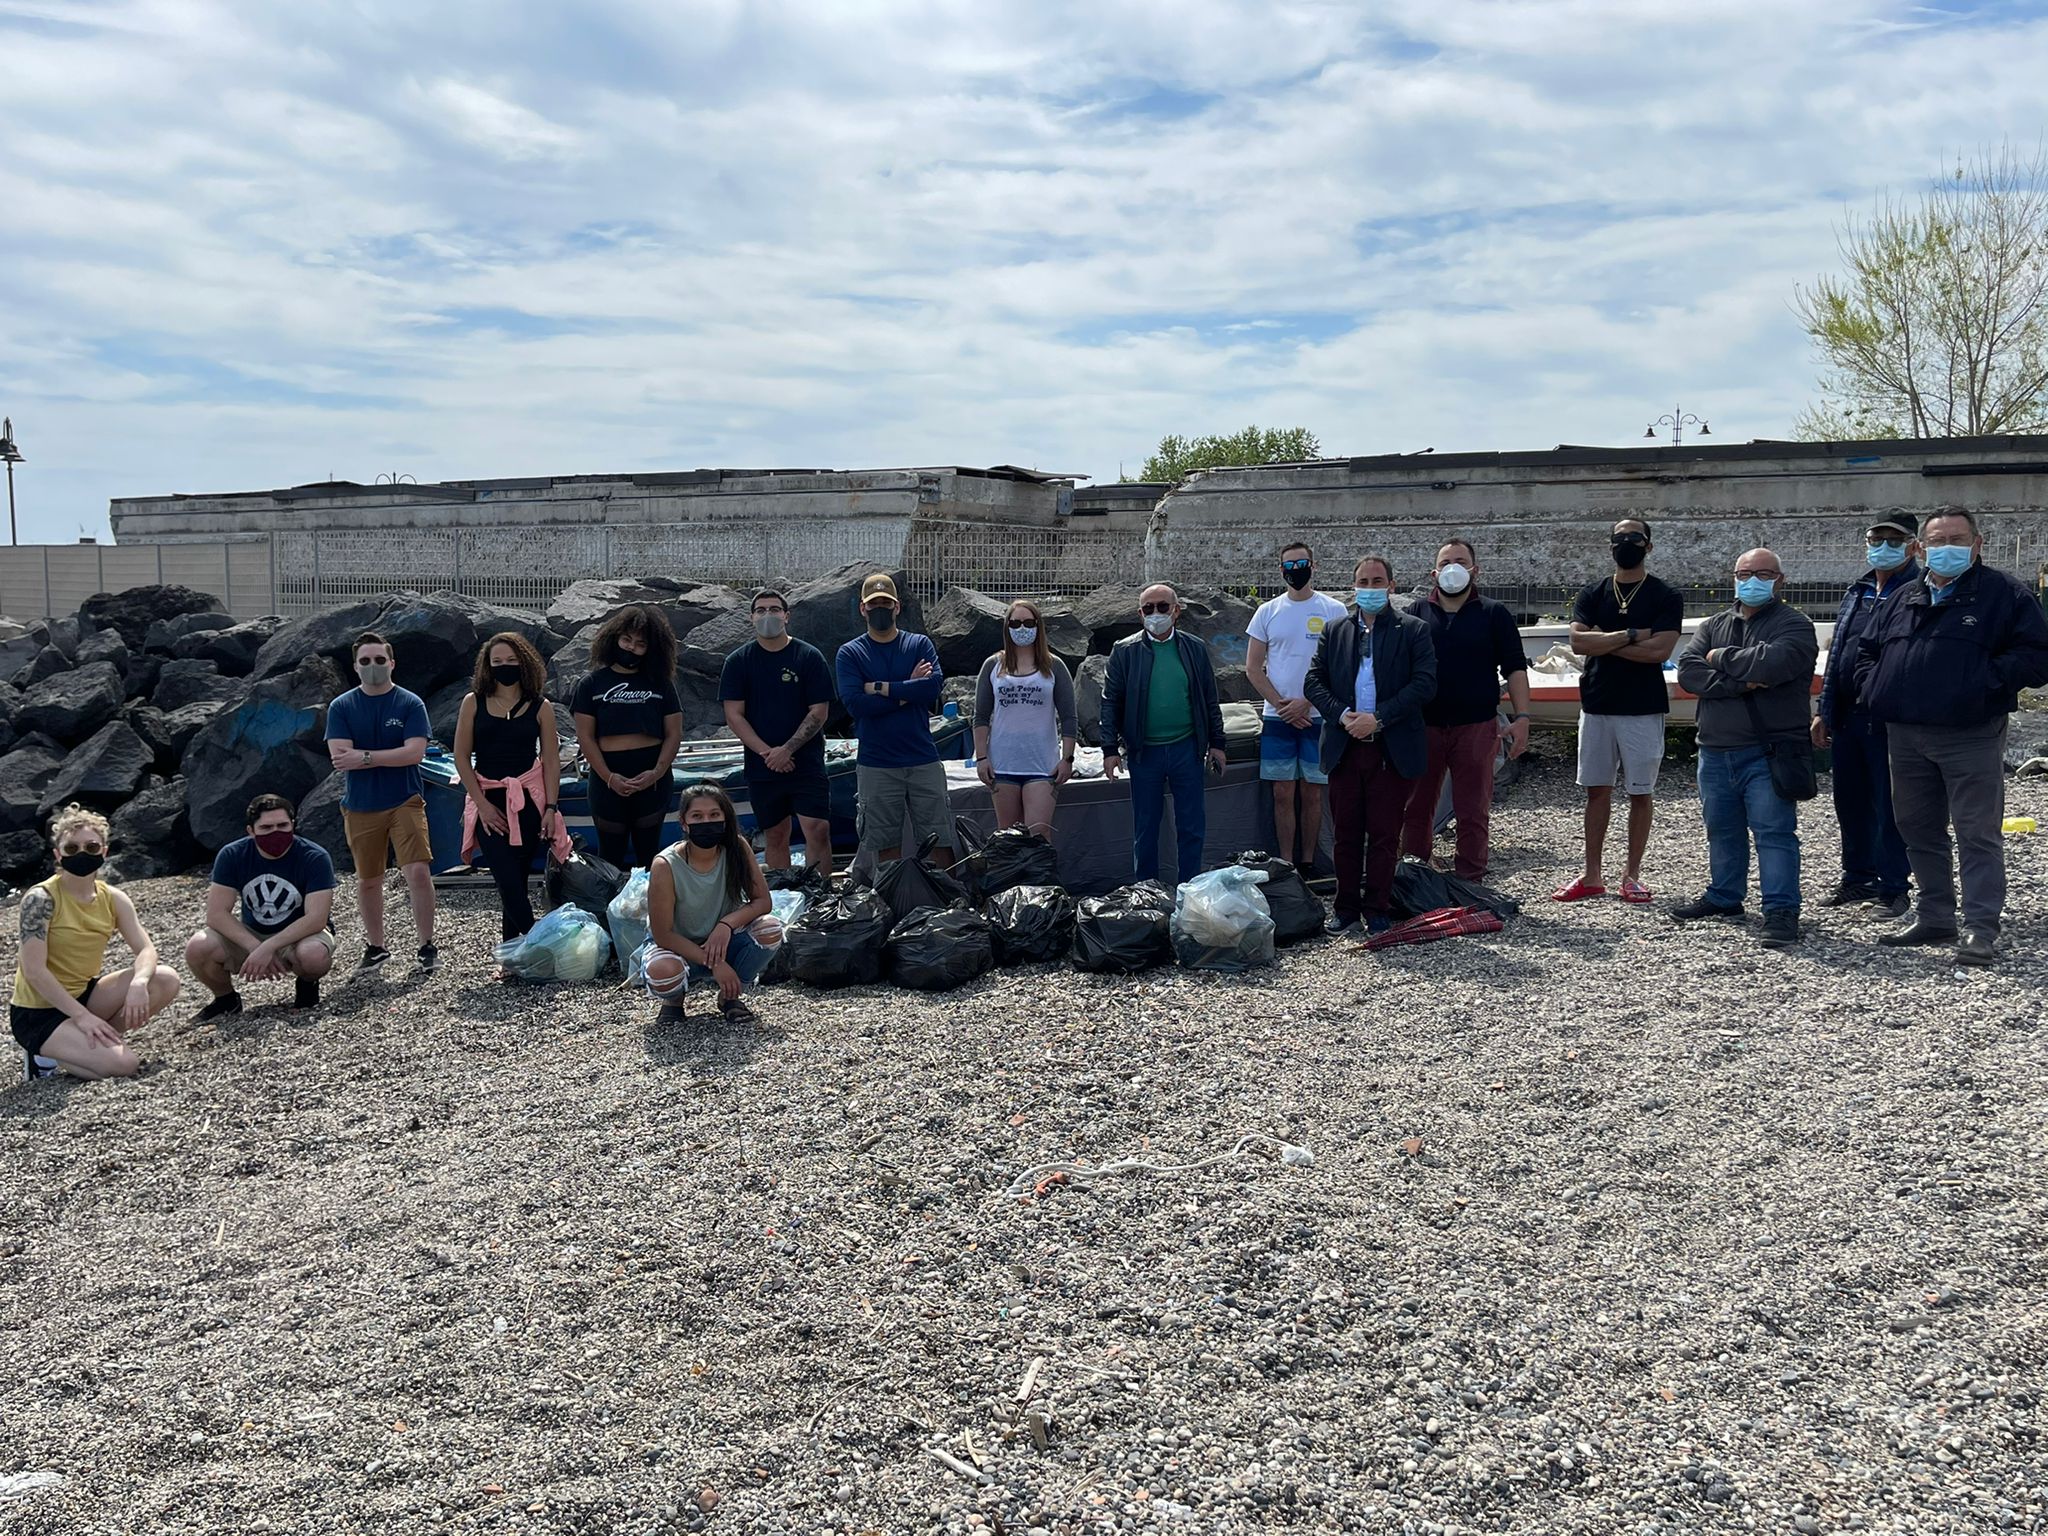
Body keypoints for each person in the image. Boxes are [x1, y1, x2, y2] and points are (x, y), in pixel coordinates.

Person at [1853, 508, 2048, 965]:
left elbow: (2038, 656)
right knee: (1917, 828)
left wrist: (1981, 683)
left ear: (1977, 544)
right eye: (1936, 541)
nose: (1946, 548)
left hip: (1970, 732)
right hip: (1905, 734)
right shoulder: (1904, 596)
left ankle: (1981, 929)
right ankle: (1936, 915)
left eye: (1956, 539)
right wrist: (1874, 686)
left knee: (1976, 832)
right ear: (1920, 549)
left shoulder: (2005, 594)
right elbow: (1868, 650)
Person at [1672, 549, 1819, 949]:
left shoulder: (1796, 625)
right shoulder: (1714, 623)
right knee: (1721, 829)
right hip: (1714, 750)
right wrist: (1741, 680)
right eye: (1744, 573)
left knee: (1774, 833)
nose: (1752, 580)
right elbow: (1688, 672)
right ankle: (1724, 896)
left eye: (1763, 573)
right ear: (1733, 577)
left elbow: (1774, 665)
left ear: (1780, 579)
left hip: (1768, 750)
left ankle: (1781, 910)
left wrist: (1719, 659)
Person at [1304, 555, 1437, 935]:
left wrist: (1378, 718)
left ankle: (1377, 906)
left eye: (1377, 581)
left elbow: (1425, 683)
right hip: (1345, 745)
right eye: (1363, 581)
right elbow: (1314, 682)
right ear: (1353, 586)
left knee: (1383, 833)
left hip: (1389, 746)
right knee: (1345, 833)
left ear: (1391, 587)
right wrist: (1344, 715)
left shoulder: (1413, 630)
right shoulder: (1335, 631)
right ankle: (1345, 907)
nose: (1370, 587)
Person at [1554, 519, 1684, 905]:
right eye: (1620, 538)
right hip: (1597, 704)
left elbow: (1661, 651)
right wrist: (1631, 635)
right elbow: (1578, 641)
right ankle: (1593, 875)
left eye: (1634, 538)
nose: (1626, 544)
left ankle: (1632, 875)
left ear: (1649, 545)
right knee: (1597, 790)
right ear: (1610, 545)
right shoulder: (1593, 592)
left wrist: (1604, 642)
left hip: (1642, 707)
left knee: (1640, 792)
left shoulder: (1665, 595)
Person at [11, 806, 181, 1081]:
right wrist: (81, 1017)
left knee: (164, 979)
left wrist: (139, 983)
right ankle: (50, 1052)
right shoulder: (40, 900)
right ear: (58, 854)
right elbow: (34, 971)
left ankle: (90, 1043)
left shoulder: (113, 898)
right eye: (72, 848)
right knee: (125, 1065)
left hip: (84, 994)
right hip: (38, 1012)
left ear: (103, 851)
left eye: (91, 847)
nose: (82, 853)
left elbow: (146, 949)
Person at [1401, 539, 1532, 881]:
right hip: (1423, 726)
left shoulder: (1494, 614)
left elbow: (1515, 668)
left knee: (1473, 808)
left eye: (1460, 561)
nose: (1453, 568)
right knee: (1416, 807)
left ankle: (1470, 878)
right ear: (1434, 572)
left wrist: (1523, 718)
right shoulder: (1415, 614)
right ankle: (1415, 876)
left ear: (1475, 570)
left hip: (1476, 726)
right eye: (1446, 562)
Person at [1812, 514, 1921, 917]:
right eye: (1877, 539)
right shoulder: (1857, 591)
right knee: (1851, 800)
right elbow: (1838, 651)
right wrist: (1825, 709)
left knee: (1890, 803)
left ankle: (1895, 886)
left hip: (1890, 716)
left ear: (1912, 546)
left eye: (1894, 540)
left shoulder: (1917, 588)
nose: (1884, 547)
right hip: (1848, 715)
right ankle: (1857, 877)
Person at [455, 631, 570, 973]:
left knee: (518, 878)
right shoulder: (472, 702)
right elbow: (462, 757)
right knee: (505, 877)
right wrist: (482, 804)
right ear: (487, 667)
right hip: (489, 798)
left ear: (524, 662)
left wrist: (551, 808)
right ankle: (544, 948)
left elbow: (550, 760)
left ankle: (511, 959)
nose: (505, 667)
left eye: (511, 661)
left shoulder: (542, 707)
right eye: (497, 662)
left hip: (529, 801)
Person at [1100, 584, 1228, 883]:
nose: (1155, 613)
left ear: (1176, 610)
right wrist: (1109, 750)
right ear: (1139, 613)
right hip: (1145, 752)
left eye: (1162, 607)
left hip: (1187, 748)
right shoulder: (1124, 651)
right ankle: (1147, 893)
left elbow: (1210, 698)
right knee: (1145, 828)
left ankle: (1190, 892)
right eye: (1148, 608)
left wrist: (1218, 743)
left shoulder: (1195, 648)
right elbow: (1110, 702)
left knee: (1192, 826)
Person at [325, 631, 436, 971]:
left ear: (392, 663)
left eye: (379, 660)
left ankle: (427, 944)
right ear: (356, 667)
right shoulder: (341, 707)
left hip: (405, 799)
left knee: (417, 870)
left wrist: (366, 757)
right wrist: (385, 755)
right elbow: (340, 756)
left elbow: (415, 753)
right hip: (360, 804)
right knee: (368, 878)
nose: (373, 666)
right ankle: (376, 946)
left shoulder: (409, 703)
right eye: (365, 661)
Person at [835, 574, 952, 875]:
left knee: (940, 839)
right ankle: (889, 904)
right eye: (874, 604)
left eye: (886, 603)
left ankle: (952, 901)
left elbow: (931, 688)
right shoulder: (850, 653)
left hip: (922, 758)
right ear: (862, 609)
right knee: (884, 843)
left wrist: (879, 687)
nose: (880, 609)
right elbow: (856, 705)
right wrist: (906, 689)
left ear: (897, 606)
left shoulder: (919, 644)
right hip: (877, 764)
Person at [186, 793, 339, 1019]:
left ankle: (307, 986)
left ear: (293, 825)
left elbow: (316, 918)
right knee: (198, 947)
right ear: (251, 831)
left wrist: (269, 947)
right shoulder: (232, 855)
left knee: (313, 955)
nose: (276, 832)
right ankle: (226, 999)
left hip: (301, 933)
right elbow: (216, 914)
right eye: (266, 827)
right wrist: (254, 945)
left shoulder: (314, 856)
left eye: (283, 825)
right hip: (253, 931)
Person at [643, 784, 784, 1027]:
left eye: (714, 815)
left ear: (726, 818)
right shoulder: (665, 864)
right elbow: (662, 934)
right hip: (680, 947)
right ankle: (674, 1001)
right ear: (684, 823)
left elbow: (763, 901)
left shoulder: (738, 847)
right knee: (663, 974)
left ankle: (730, 997)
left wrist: (725, 925)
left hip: (725, 942)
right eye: (697, 816)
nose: (706, 821)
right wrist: (716, 963)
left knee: (770, 929)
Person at [1245, 542, 1349, 870]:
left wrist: (1309, 702)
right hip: (1278, 718)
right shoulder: (1267, 612)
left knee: (1313, 792)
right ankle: (1286, 862)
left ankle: (1307, 861)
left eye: (1301, 564)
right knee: (1282, 793)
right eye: (1288, 566)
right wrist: (1283, 705)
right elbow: (1252, 667)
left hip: (1318, 716)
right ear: (1280, 570)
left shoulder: (1334, 610)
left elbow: (1342, 666)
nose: (1295, 571)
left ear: (1313, 566)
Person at [720, 588, 835, 880]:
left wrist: (787, 749)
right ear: (751, 618)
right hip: (762, 766)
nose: (767, 615)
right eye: (761, 610)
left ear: (786, 616)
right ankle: (784, 895)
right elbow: (734, 715)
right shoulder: (738, 662)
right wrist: (767, 753)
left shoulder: (809, 657)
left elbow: (819, 711)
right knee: (775, 834)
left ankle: (819, 895)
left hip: (805, 762)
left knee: (817, 830)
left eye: (774, 609)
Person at [572, 605, 684, 871]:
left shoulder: (660, 684)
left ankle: (651, 908)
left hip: (652, 776)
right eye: (626, 640)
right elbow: (585, 737)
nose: (631, 648)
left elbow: (674, 733)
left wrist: (656, 773)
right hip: (606, 775)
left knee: (649, 853)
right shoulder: (591, 684)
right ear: (614, 639)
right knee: (610, 853)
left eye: (640, 644)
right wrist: (609, 777)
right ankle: (608, 911)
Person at [973, 599, 1078, 838]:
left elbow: (1069, 717)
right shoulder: (993, 665)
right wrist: (981, 757)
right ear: (1007, 628)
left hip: (1042, 766)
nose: (1022, 629)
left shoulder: (1054, 666)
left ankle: (1042, 877)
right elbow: (980, 716)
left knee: (1038, 833)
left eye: (1028, 623)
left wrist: (1067, 759)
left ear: (1038, 626)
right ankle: (1012, 878)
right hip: (1003, 765)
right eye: (1016, 623)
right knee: (1008, 837)